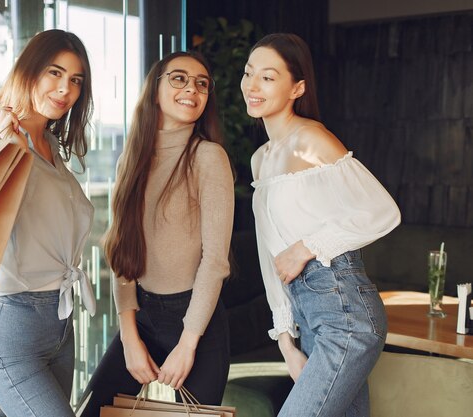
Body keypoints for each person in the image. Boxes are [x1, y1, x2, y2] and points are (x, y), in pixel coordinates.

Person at [242, 33, 400, 416]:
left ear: (297, 87)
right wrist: (286, 343)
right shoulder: (260, 159)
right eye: (249, 73)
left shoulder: (309, 139)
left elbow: (383, 211)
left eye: (268, 76)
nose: (252, 85)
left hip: (344, 311)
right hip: (308, 316)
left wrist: (305, 247)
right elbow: (270, 257)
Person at [77, 51, 234, 416]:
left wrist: (188, 344)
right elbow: (123, 252)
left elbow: (214, 261)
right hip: (142, 317)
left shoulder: (208, 157)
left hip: (199, 321)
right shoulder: (130, 160)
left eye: (201, 84)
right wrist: (130, 337)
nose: (191, 89)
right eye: (179, 78)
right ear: (155, 90)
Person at [0, 29, 95, 417]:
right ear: (28, 72)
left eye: (75, 80)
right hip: (14, 326)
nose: (65, 89)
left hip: (61, 324)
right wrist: (12, 153)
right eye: (54, 73)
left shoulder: (54, 147)